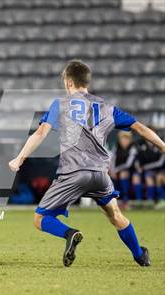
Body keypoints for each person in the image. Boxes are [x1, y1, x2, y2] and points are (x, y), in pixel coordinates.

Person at [9, 60, 165, 267]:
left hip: (73, 173)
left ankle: (70, 233)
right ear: (87, 82)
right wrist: (163, 147)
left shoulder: (60, 105)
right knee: (116, 215)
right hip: (100, 174)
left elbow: (40, 133)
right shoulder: (108, 108)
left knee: (40, 218)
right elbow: (141, 128)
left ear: (68, 82)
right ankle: (140, 255)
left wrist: (19, 158)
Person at [110, 131, 138, 208]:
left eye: (126, 139)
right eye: (122, 139)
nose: (124, 141)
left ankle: (126, 201)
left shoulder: (133, 148)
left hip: (132, 170)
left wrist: (116, 170)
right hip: (117, 170)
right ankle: (113, 200)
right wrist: (112, 170)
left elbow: (128, 164)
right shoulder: (116, 147)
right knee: (109, 175)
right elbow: (112, 160)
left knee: (123, 174)